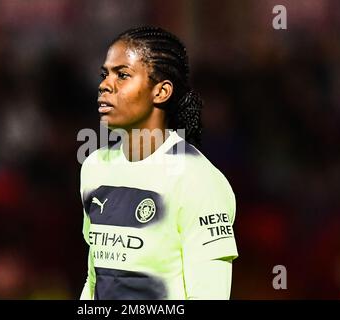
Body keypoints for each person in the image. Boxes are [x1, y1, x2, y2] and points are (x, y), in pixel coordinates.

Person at [79, 26, 238, 300]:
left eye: (123, 75)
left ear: (161, 91)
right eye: (105, 74)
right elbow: (95, 281)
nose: (105, 85)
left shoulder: (197, 179)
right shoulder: (94, 168)